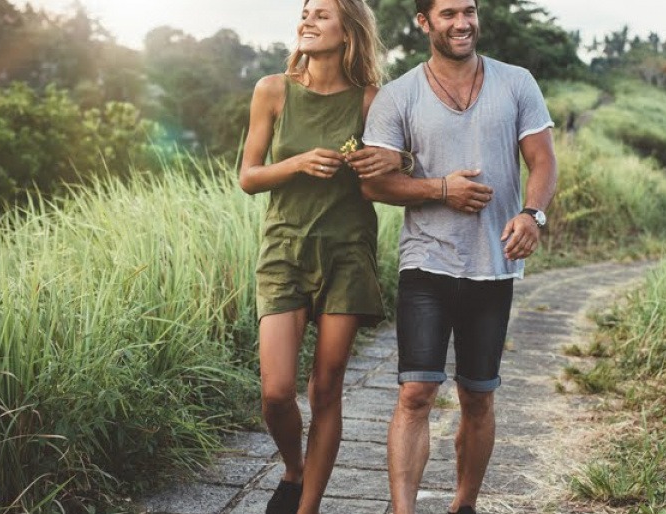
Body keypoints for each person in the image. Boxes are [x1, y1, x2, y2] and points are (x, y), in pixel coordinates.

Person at [346, 0, 558, 512]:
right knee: (415, 393)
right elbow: (375, 185)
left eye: (469, 11)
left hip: (493, 264)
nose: (462, 23)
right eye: (448, 14)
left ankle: (463, 505)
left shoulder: (516, 83)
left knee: (478, 397)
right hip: (426, 264)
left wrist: (532, 214)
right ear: (424, 23)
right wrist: (441, 189)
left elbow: (543, 159)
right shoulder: (398, 96)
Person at [236, 1, 398, 512]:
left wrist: (392, 159)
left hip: (348, 253)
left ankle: (306, 507)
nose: (306, 20)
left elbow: (387, 175)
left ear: (348, 30)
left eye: (321, 14)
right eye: (305, 12)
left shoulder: (372, 101)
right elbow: (249, 177)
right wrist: (300, 162)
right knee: (278, 390)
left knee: (326, 390)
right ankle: (293, 468)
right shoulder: (273, 91)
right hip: (284, 249)